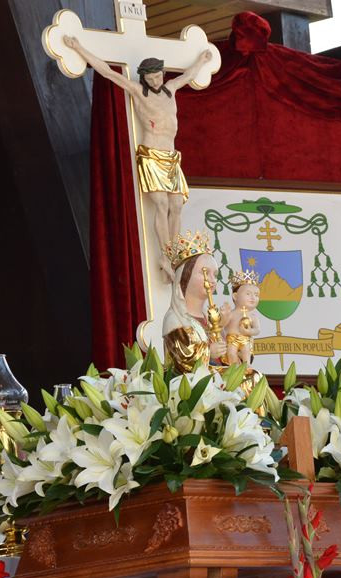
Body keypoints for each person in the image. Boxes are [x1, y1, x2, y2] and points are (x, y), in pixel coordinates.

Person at [62, 35, 214, 283]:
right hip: (152, 154)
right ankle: (165, 256)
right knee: (161, 204)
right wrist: (79, 48)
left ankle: (175, 254)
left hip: (171, 156)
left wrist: (202, 60)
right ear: (144, 78)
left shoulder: (171, 88)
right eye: (151, 78)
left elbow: (188, 75)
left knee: (177, 205)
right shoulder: (138, 92)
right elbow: (107, 72)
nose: (155, 81)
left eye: (158, 76)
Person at [162, 230, 227, 372]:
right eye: (205, 272)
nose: (212, 280)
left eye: (215, 275)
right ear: (185, 276)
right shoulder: (175, 319)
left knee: (253, 376)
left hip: (217, 376)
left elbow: (226, 360)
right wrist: (209, 352)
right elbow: (182, 360)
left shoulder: (209, 319)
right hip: (190, 381)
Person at [221, 269, 261, 365]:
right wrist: (223, 317)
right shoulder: (231, 314)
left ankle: (246, 369)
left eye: (256, 295)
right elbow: (222, 327)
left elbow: (257, 330)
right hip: (231, 340)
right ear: (235, 296)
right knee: (231, 353)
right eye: (248, 294)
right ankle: (234, 370)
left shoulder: (253, 316)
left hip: (245, 340)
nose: (253, 297)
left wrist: (249, 332)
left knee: (246, 354)